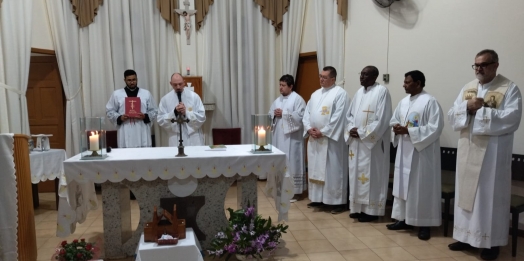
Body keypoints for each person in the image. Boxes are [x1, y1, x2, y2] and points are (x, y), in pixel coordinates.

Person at [448, 49, 522, 260]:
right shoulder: (468, 88)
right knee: (466, 194)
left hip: (492, 157)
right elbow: (453, 114)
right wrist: (466, 107)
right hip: (467, 151)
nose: (479, 69)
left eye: (484, 64)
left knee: (488, 198)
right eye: (476, 65)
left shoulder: (509, 88)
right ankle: (464, 237)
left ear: (495, 65)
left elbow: (513, 118)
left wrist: (479, 111)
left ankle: (491, 243)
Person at [387, 70, 444, 240]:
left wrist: (409, 131)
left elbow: (436, 127)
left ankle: (424, 224)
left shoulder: (430, 102)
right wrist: (396, 128)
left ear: (418, 83)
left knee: (421, 188)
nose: (404, 85)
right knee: (402, 186)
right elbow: (393, 120)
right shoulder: (403, 102)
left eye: (407, 82)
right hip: (404, 151)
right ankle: (403, 219)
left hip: (422, 155)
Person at [345, 66, 392, 222]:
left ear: (375, 76)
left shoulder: (382, 92)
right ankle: (357, 207)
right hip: (356, 144)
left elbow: (383, 119)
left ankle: (371, 211)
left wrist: (363, 133)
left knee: (371, 176)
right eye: (361, 74)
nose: (362, 77)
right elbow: (350, 115)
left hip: (372, 146)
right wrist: (351, 128)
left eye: (366, 74)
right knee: (355, 175)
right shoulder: (359, 93)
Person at [303, 66, 350, 214]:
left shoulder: (340, 94)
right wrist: (309, 128)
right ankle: (318, 199)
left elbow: (340, 117)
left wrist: (323, 132)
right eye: (320, 76)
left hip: (331, 141)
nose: (321, 79)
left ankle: (336, 202)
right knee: (315, 168)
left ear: (333, 79)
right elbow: (307, 113)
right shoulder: (315, 94)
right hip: (315, 139)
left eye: (324, 77)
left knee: (332, 171)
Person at [269, 75, 307, 201]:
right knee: (280, 163)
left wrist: (284, 114)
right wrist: (273, 116)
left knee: (292, 164)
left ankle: (294, 192)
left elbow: (301, 117)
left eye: (283, 85)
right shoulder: (277, 100)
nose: (280, 88)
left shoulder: (298, 99)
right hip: (279, 139)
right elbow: (270, 116)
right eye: (280, 85)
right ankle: (280, 189)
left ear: (291, 86)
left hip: (293, 139)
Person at [106, 69, 158, 148]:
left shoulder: (145, 93)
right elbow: (109, 110)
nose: (132, 82)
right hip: (125, 128)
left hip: (142, 128)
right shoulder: (117, 94)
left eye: (134, 79)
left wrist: (145, 116)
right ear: (125, 80)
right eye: (129, 80)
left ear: (137, 79)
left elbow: (154, 110)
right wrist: (120, 117)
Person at [157, 73, 206, 146]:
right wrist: (174, 113)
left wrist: (186, 113)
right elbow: (160, 120)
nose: (178, 87)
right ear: (171, 83)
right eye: (175, 84)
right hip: (175, 138)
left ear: (184, 82)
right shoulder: (165, 99)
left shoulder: (194, 97)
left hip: (193, 138)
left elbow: (202, 117)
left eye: (180, 84)